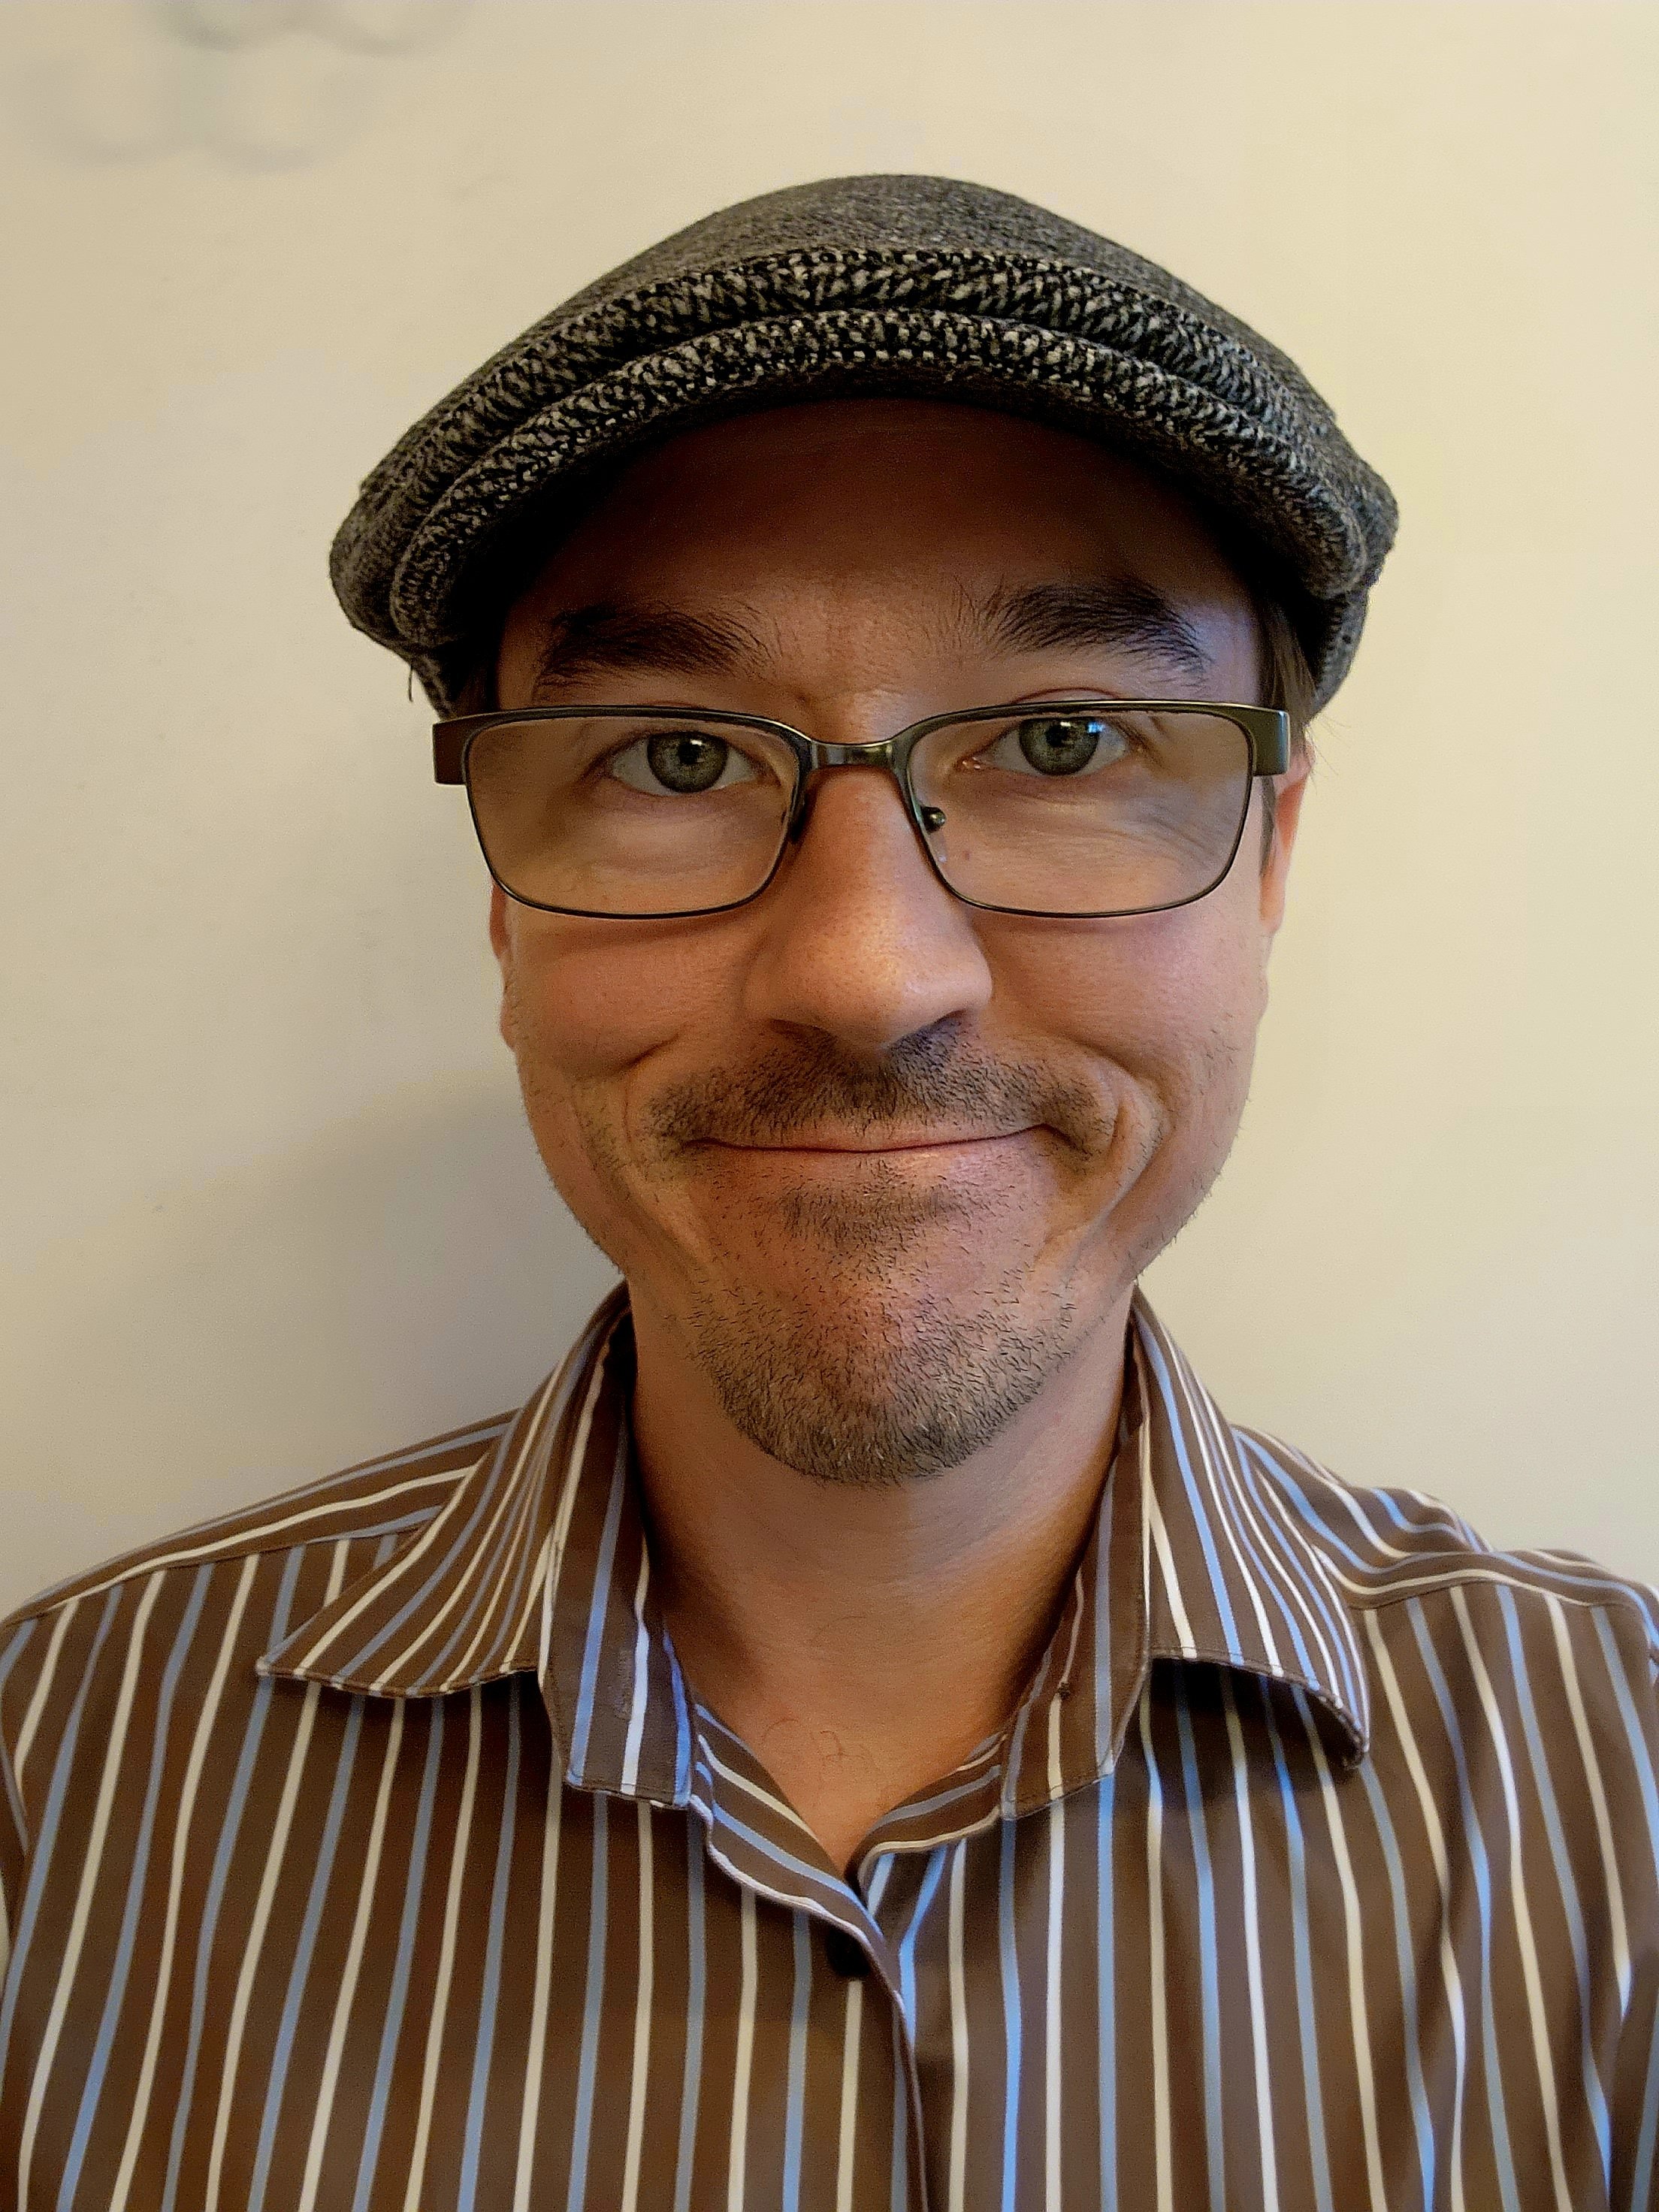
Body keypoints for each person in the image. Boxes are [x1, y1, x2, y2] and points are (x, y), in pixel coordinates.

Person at [1, 174, 1653, 2212]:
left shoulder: (1627, 1801)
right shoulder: (58, 1790)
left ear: (1274, 855)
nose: (871, 978)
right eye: (676, 758)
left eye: (1068, 733)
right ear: (502, 904)